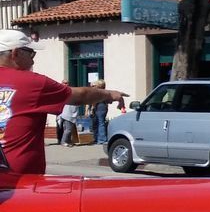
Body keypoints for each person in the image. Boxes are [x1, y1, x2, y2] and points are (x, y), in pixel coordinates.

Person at [0, 29, 127, 174]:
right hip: (19, 182)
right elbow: (80, 96)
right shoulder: (32, 82)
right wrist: (109, 94)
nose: (33, 59)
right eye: (31, 53)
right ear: (15, 53)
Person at [91, 79, 110, 144]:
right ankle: (99, 138)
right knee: (100, 122)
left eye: (95, 85)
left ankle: (101, 139)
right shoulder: (105, 91)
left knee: (99, 122)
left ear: (99, 85)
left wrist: (92, 108)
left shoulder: (97, 92)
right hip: (104, 106)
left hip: (99, 106)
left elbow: (94, 101)